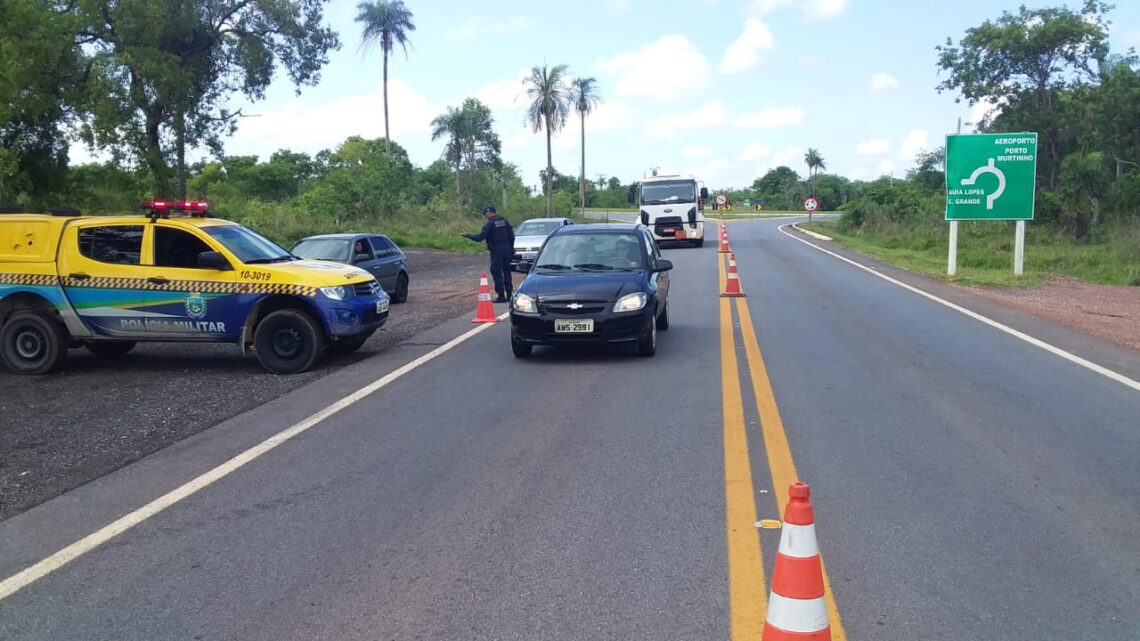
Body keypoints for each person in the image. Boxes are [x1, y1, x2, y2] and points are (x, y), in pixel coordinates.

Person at [461, 205, 515, 302]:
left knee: (496, 272)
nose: (485, 216)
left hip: (497, 251)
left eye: (485, 214)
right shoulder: (505, 221)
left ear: (490, 213)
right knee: (507, 272)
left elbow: (480, 237)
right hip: (507, 250)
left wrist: (467, 235)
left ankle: (501, 295)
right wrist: (511, 249)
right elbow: (512, 236)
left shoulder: (490, 224)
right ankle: (510, 294)